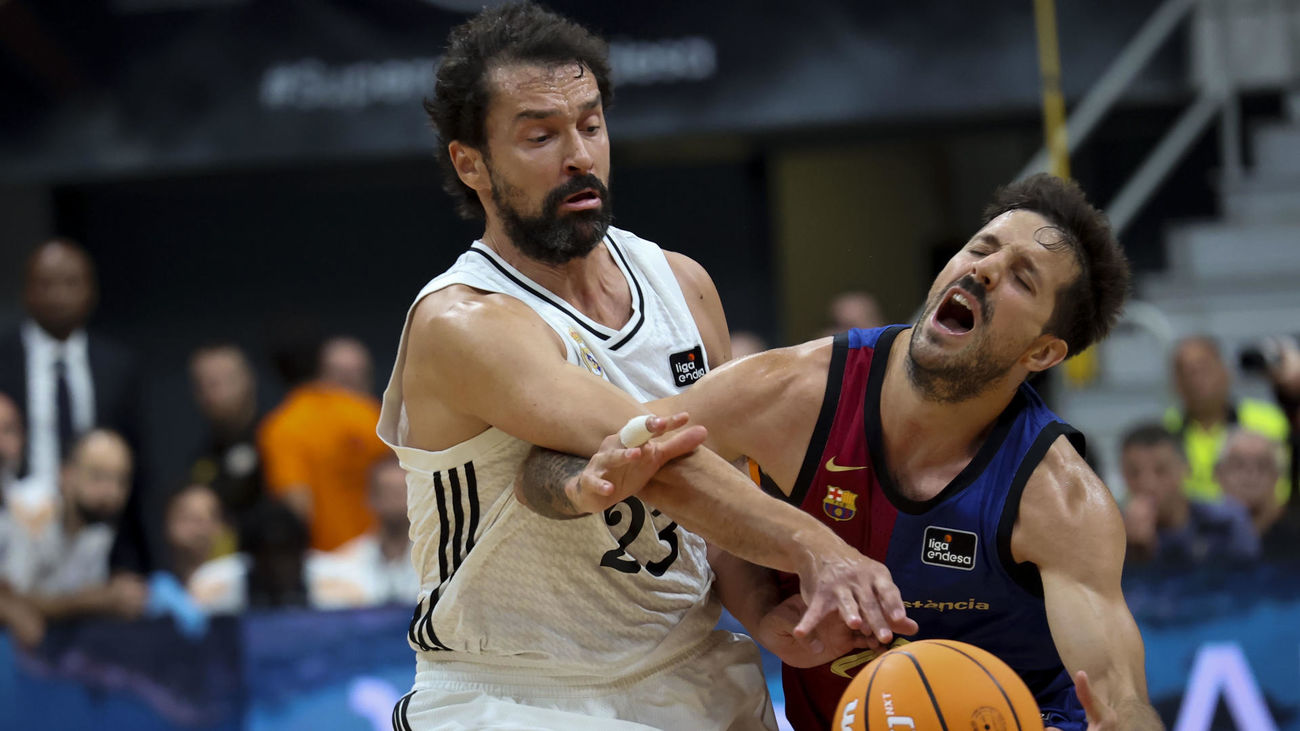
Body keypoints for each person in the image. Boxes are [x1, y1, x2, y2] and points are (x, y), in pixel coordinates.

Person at [377, 4, 908, 728]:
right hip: (518, 694)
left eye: (591, 125)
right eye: (540, 135)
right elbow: (661, 457)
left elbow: (720, 495)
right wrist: (819, 547)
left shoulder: (681, 284)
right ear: (469, 162)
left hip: (692, 672)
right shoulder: (463, 321)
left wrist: (764, 612)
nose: (579, 156)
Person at [528, 174, 1162, 730]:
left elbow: (1122, 700)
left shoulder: (1059, 499)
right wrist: (759, 609)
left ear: (1043, 353)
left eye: (1022, 278)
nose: (985, 269)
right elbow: (562, 465)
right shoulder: (794, 394)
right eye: (981, 247)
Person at [0, 239, 141, 488]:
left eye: (71, 283)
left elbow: (137, 457)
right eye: (46, 284)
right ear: (26, 292)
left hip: (99, 517)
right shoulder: (3, 359)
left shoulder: (118, 366)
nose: (59, 296)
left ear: (92, 291)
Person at [258, 329, 389, 552]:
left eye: (360, 373)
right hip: (379, 559)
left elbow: (296, 508)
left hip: (323, 562)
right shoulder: (370, 416)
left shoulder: (282, 426)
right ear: (322, 367)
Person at [4, 429, 147, 630]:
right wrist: (95, 601)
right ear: (66, 474)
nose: (112, 493)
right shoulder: (29, 511)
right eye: (98, 476)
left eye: (121, 481)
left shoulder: (100, 529)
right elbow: (11, 598)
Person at [1164, 335, 1290, 504]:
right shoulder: (1167, 431)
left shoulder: (1269, 421)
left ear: (1225, 371)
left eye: (1203, 369)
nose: (1194, 380)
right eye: (1185, 372)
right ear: (1175, 383)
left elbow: (1286, 486)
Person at [1121, 423, 1259, 565]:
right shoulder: (1113, 535)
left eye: (1161, 470)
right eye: (1134, 473)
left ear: (1185, 469)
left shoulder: (1227, 522)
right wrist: (1134, 553)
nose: (1147, 484)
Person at [308, 457, 418, 609]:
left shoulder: (443, 564)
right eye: (388, 492)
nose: (397, 500)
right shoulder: (336, 567)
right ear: (370, 498)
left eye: (404, 491)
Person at [188, 343, 264, 552]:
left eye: (218, 382)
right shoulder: (203, 455)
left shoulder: (276, 439)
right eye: (200, 384)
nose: (209, 393)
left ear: (248, 380)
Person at [1215, 428, 1295, 555]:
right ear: (1218, 474)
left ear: (1278, 476)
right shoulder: (1200, 536)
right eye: (1238, 465)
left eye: (1262, 466)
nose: (1250, 476)